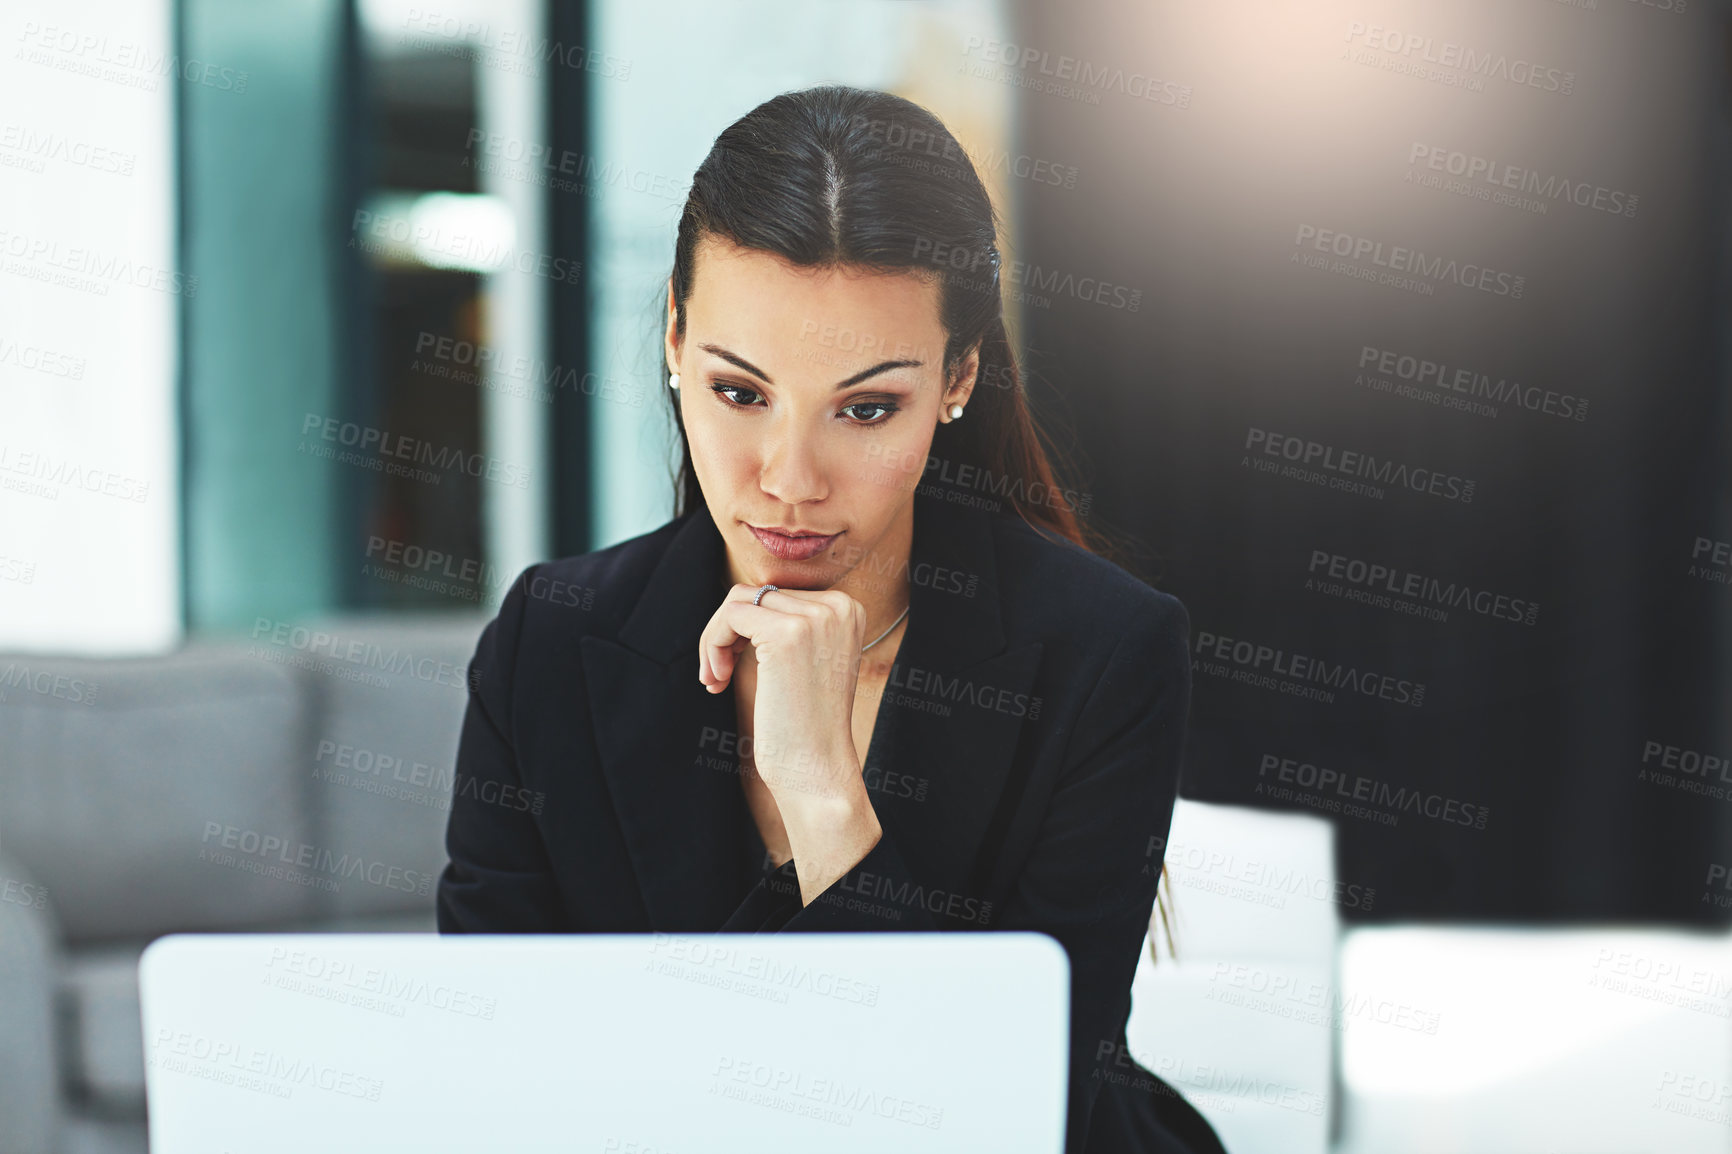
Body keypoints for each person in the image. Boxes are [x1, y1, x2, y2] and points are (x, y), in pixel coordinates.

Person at [436, 84, 1225, 1154]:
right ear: (674, 339)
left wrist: (820, 790)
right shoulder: (550, 639)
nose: (789, 481)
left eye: (864, 408)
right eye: (738, 392)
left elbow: (997, 1113)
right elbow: (491, 1076)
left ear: (957, 377)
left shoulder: (1103, 652)